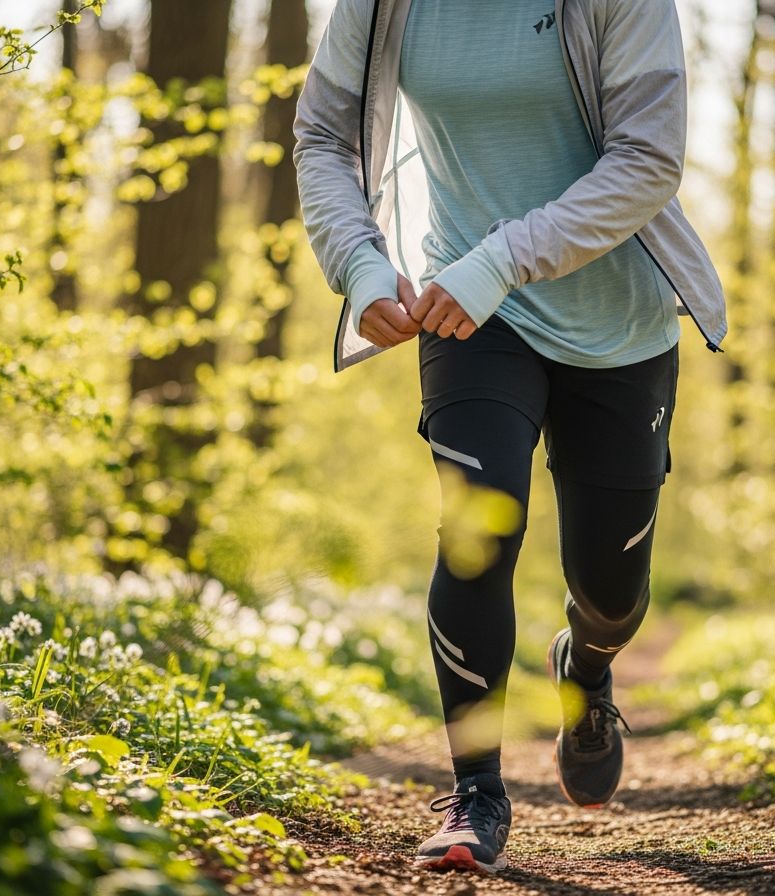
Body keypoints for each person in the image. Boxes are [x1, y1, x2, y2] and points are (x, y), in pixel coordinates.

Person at [294, 0, 727, 875]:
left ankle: (586, 665)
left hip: (616, 323)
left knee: (611, 592)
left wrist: (502, 261)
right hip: (469, 314)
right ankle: (476, 791)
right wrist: (361, 263)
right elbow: (323, 137)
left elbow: (648, 160)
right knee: (476, 529)